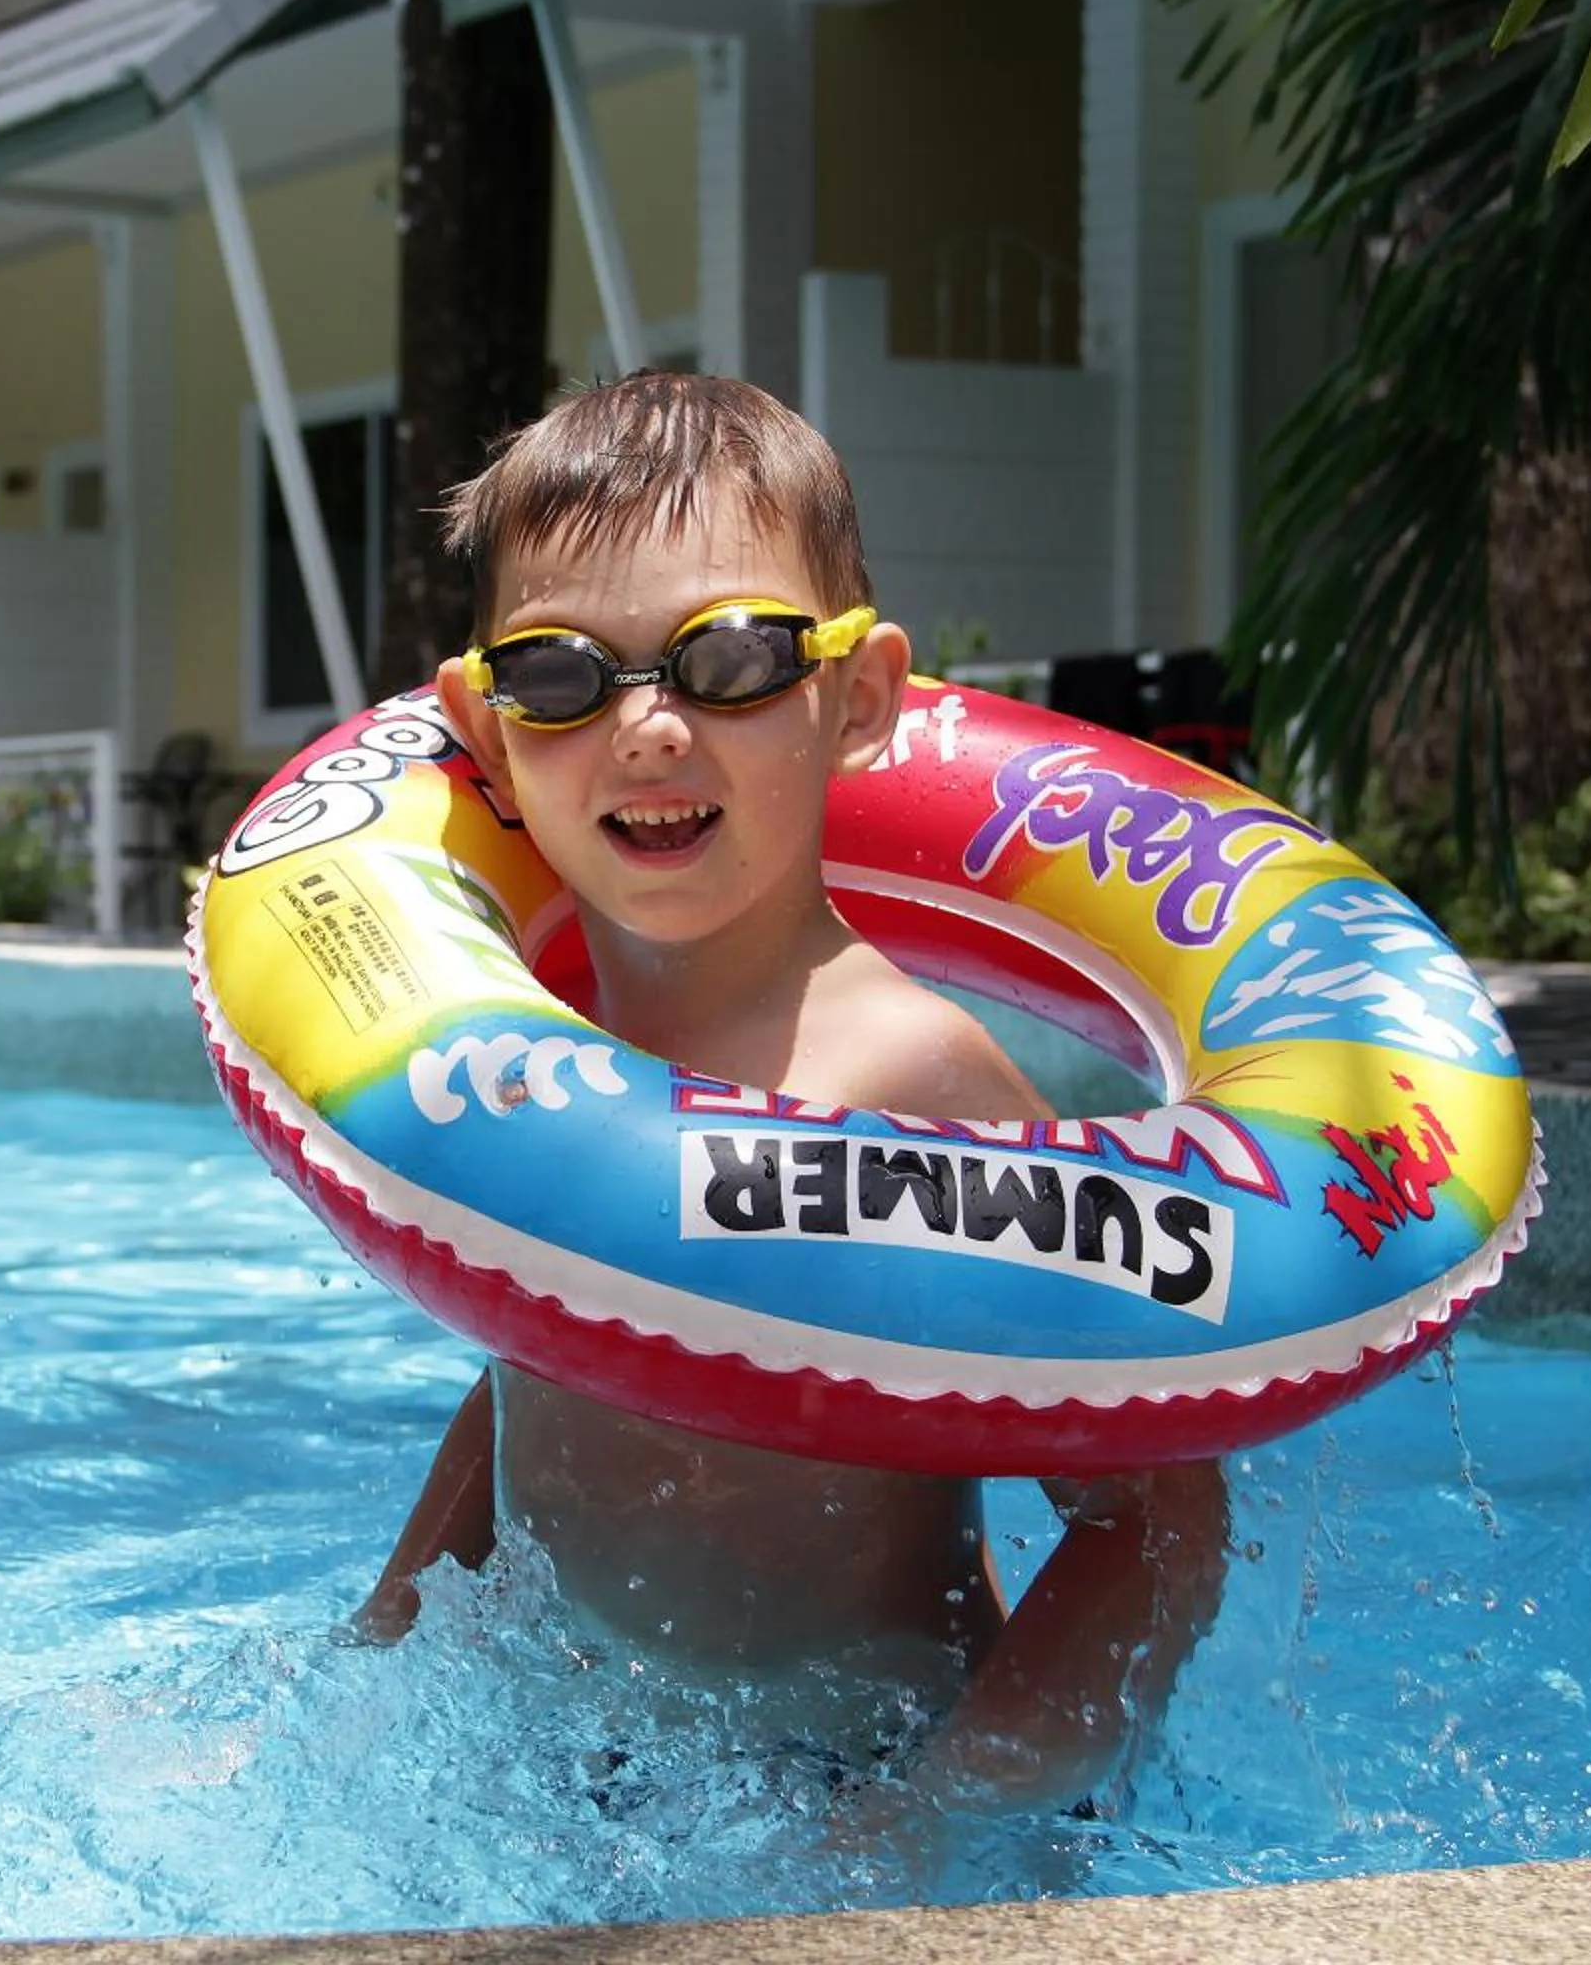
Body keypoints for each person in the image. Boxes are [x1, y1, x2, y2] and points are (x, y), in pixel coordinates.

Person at [350, 373, 1230, 1815]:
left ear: (860, 699)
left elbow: (1155, 1522)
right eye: (563, 673)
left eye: (733, 659)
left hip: (863, 1771)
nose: (646, 728)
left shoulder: (918, 1080)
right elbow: (539, 1372)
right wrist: (377, 1652)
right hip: (582, 1758)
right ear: (488, 725)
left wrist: (933, 1833)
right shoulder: (522, 1044)